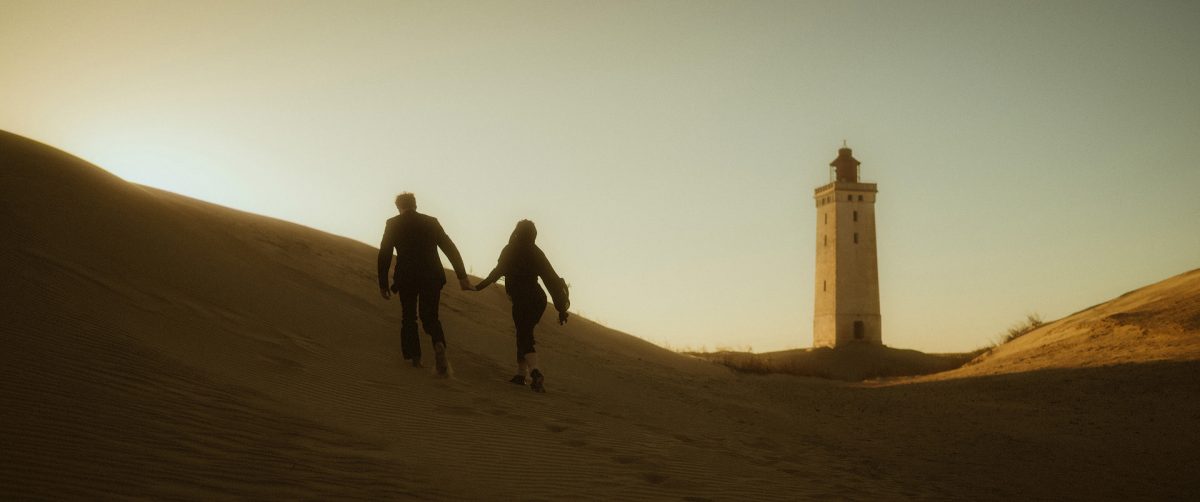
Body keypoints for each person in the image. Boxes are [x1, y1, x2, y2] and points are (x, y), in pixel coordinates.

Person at [377, 192, 472, 375]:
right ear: (415, 205)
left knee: (409, 317)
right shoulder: (431, 222)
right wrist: (462, 275)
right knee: (430, 317)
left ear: (399, 207)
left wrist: (383, 283)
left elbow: (385, 253)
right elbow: (450, 248)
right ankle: (438, 343)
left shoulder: (393, 224)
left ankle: (415, 358)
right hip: (432, 276)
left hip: (407, 277)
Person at [473, 220, 569, 393]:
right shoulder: (536, 252)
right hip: (538, 299)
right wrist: (561, 309)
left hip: (522, 299)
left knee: (524, 335)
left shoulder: (510, 249)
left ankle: (535, 373)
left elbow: (496, 272)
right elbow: (552, 280)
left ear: (517, 232)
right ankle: (520, 375)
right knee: (524, 333)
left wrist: (477, 287)